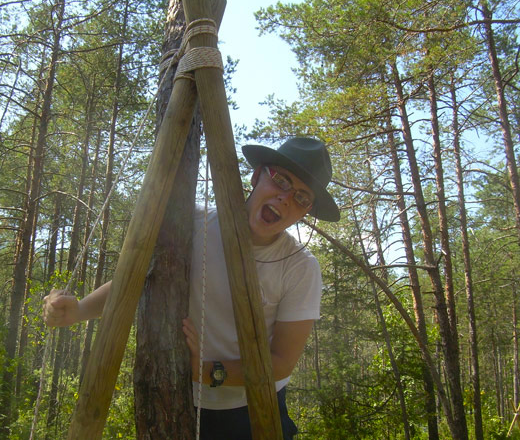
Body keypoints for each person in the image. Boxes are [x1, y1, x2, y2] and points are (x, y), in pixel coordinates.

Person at [43, 136, 340, 440]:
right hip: (181, 401)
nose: (286, 198)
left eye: (302, 197)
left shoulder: (300, 267)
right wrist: (79, 310)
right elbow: (138, 279)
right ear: (256, 176)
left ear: (306, 211)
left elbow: (281, 363)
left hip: (257, 409)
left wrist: (207, 370)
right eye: (281, 180)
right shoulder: (195, 223)